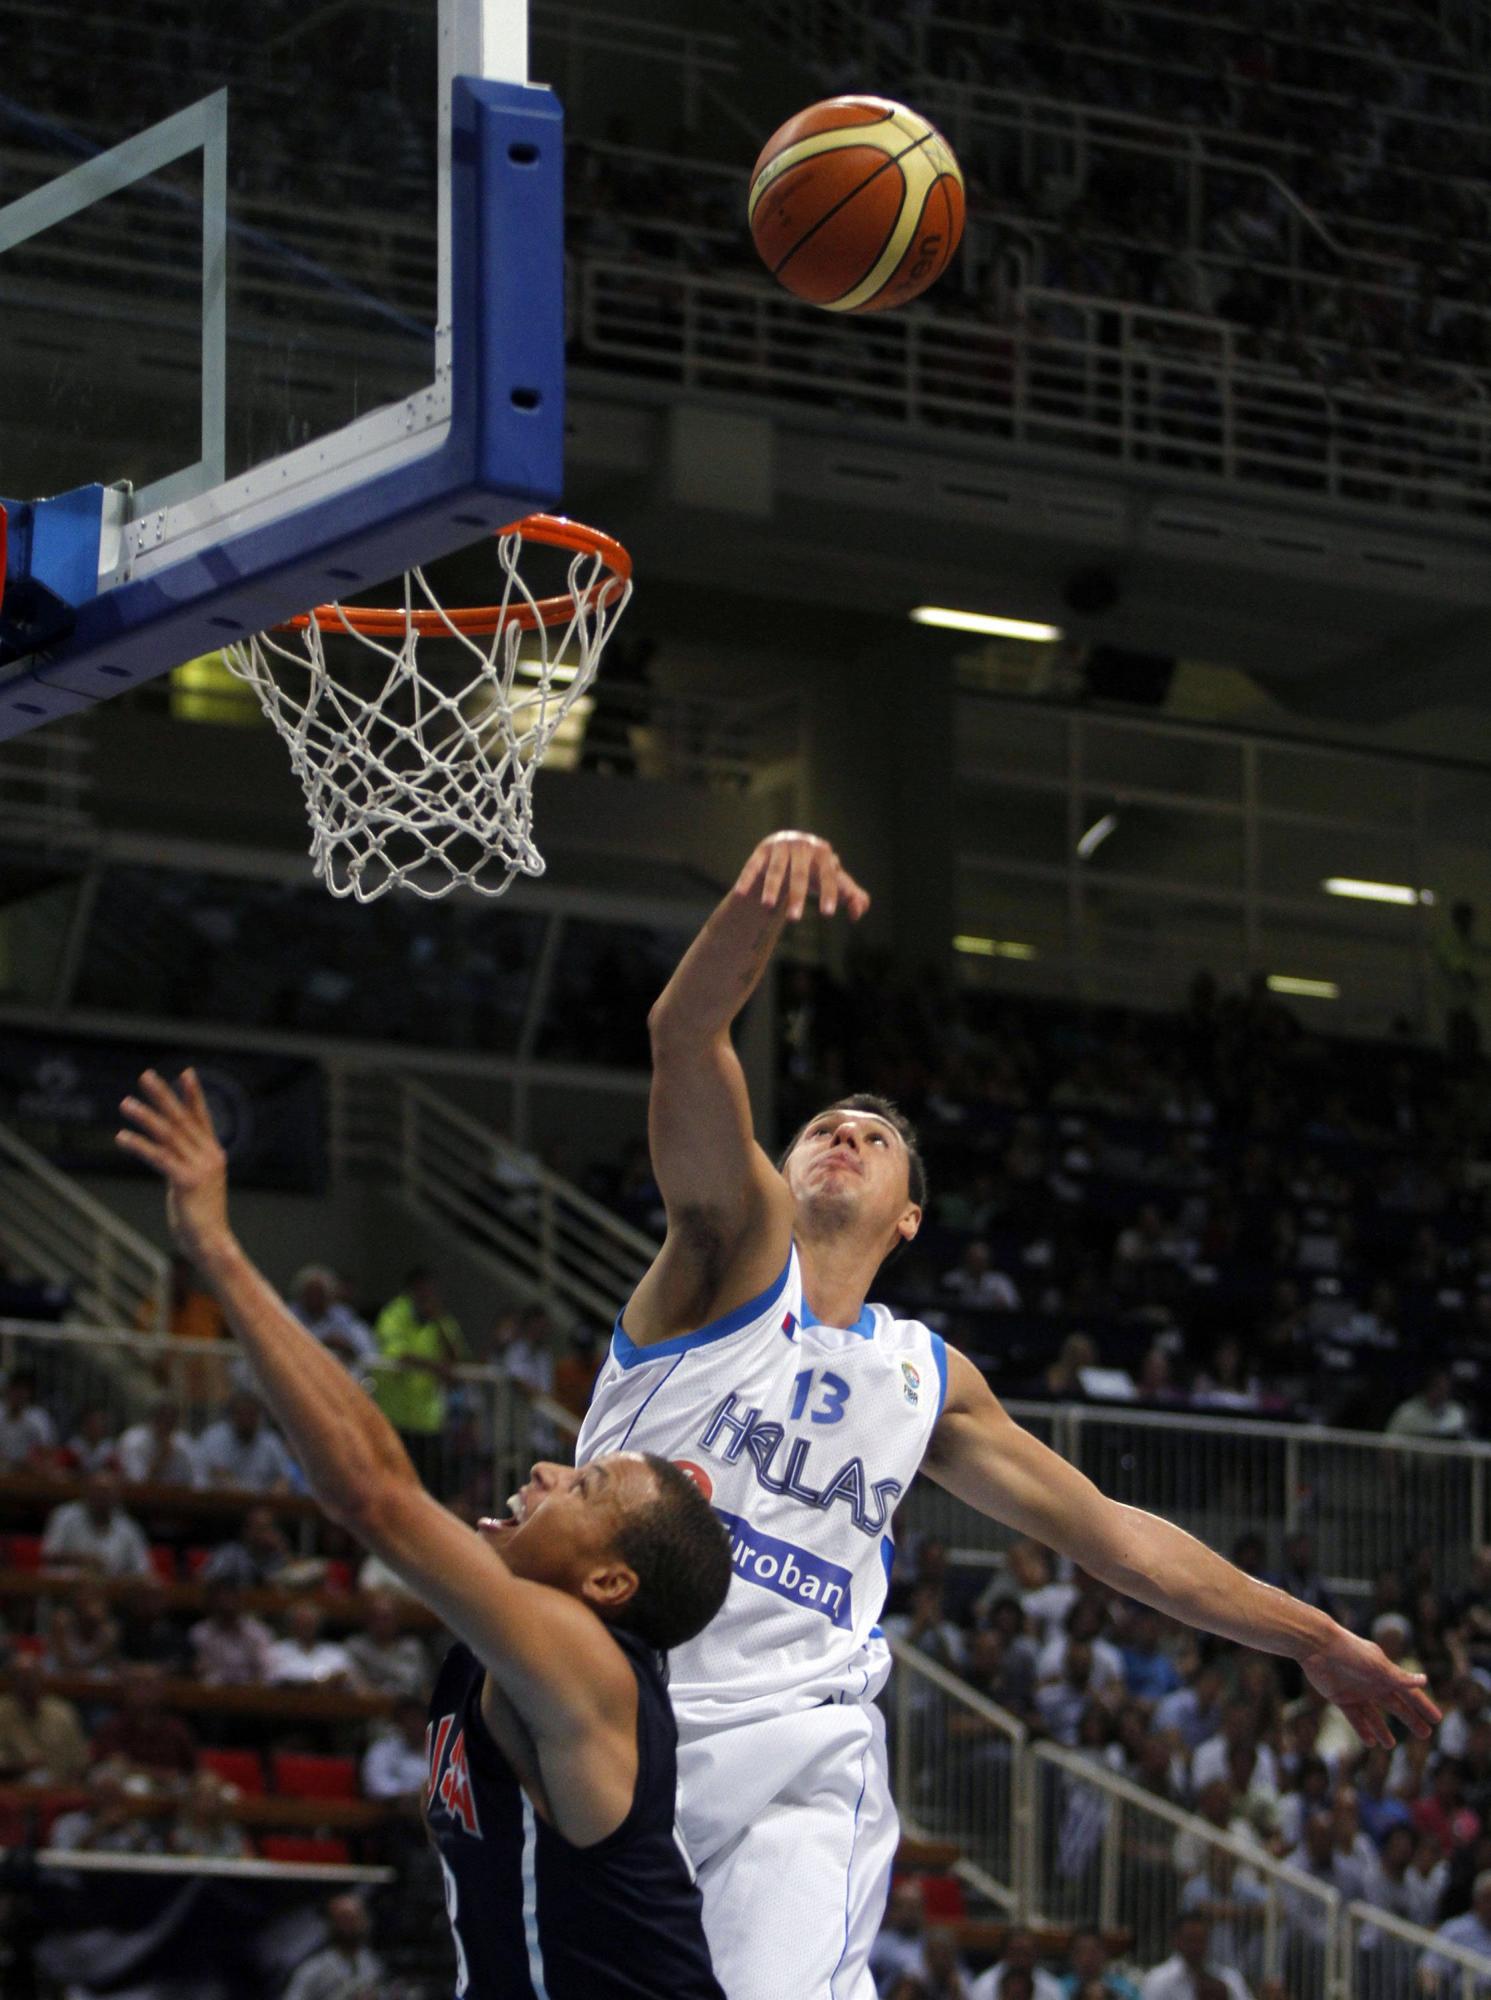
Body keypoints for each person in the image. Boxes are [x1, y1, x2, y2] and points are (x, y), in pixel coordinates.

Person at [574, 829, 1440, 2000]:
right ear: (773, 1165)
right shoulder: (718, 1259)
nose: (847, 1135)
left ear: (909, 1219)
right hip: (608, 1710)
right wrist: (759, 898)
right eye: (825, 1123)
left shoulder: (926, 1377)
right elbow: (685, 1034)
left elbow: (1116, 1537)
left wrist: (1316, 1639)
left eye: (878, 1139)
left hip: (795, 1755)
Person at [117, 1064, 731, 1999]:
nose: (545, 1471)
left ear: (609, 1584)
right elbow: (375, 1478)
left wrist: (219, 1249)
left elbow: (372, 1494)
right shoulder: (529, 1657)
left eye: (586, 1484)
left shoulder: (587, 1663)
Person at [40, 1473, 154, 1579]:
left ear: (117, 1496)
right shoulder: (65, 1516)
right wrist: (84, 1559)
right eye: (97, 1491)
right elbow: (49, 1554)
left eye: (107, 1492)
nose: (101, 1497)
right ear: (87, 1492)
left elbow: (143, 1569)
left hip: (112, 1590)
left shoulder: (128, 1527)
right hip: (66, 1587)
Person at [281, 1893, 383, 2000]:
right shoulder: (312, 1970)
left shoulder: (374, 1964)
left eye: (355, 1917)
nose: (351, 1924)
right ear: (331, 1923)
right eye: (344, 1918)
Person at [197, 1390, 295, 1490]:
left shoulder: (271, 1441)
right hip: (222, 1501)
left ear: (259, 1416)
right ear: (231, 1416)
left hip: (263, 1502)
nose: (246, 1420)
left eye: (251, 1414)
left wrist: (278, 1490)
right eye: (241, 1414)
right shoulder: (214, 1438)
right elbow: (217, 1473)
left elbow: (285, 1476)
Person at [1140, 1915, 1249, 2000]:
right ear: (1175, 1940)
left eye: (1201, 1940)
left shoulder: (1229, 1978)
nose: (1196, 1947)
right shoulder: (1158, 1980)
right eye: (1191, 1940)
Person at [117, 1395, 200, 1486]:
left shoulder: (183, 1442)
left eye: (171, 1421)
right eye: (162, 1418)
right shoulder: (134, 1441)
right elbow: (137, 1482)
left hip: (179, 1497)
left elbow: (197, 1480)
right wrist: (161, 1458)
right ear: (152, 1418)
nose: (166, 1425)